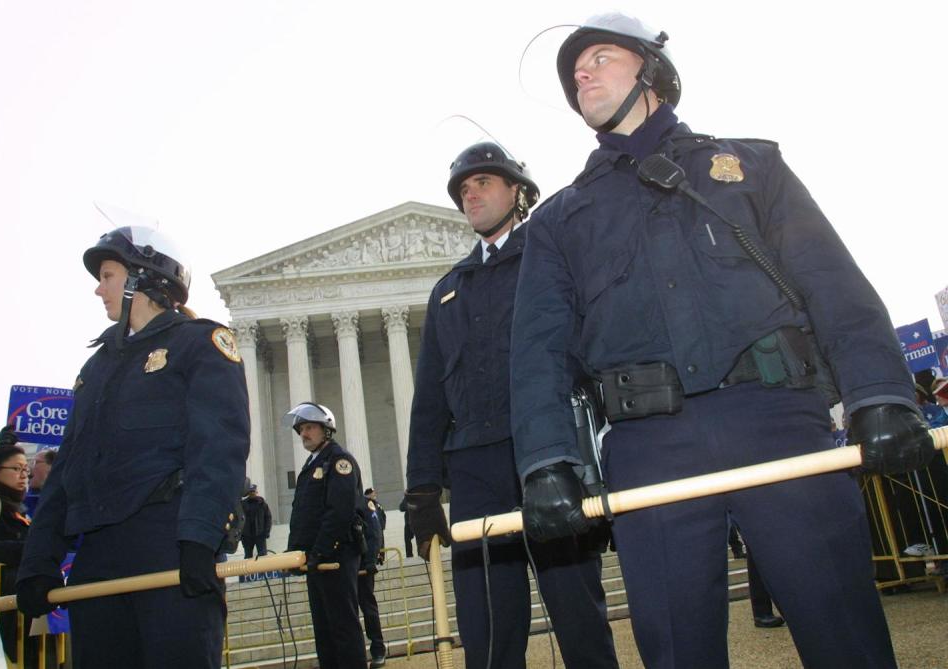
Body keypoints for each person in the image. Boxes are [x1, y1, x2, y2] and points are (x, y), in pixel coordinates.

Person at [510, 13, 935, 668]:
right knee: (678, 653)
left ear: (651, 68)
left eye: (598, 57)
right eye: (574, 72)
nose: (581, 74)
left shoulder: (751, 166)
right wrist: (546, 461)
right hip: (649, 449)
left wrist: (881, 392)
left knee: (845, 636)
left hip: (778, 424)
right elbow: (537, 353)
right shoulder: (559, 220)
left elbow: (831, 284)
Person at [404, 142, 619, 669]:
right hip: (474, 469)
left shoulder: (552, 256)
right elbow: (430, 395)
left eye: (481, 183)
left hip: (544, 454)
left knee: (576, 615)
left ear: (517, 191)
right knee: (488, 631)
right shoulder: (448, 291)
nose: (469, 195)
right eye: (462, 190)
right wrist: (423, 488)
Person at [14, 215, 251, 668]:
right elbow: (68, 469)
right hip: (98, 559)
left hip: (169, 546)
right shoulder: (95, 369)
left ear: (142, 278)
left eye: (107, 276)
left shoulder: (199, 344)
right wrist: (38, 561)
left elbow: (217, 448)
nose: (98, 289)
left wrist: (200, 539)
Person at [285, 402, 367, 669]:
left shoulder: (338, 461)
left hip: (336, 555)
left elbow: (340, 512)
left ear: (326, 430)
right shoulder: (313, 464)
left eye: (309, 428)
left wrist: (320, 550)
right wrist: (296, 551)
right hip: (316, 559)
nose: (304, 434)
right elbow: (304, 515)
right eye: (301, 430)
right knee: (325, 631)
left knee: (343, 628)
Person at [0, 443, 36, 665]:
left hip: (17, 608)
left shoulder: (18, 509)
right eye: (16, 469)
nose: (24, 475)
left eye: (26, 469)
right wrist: (30, 550)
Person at [359, 492, 387, 667]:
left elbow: (375, 532)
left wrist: (370, 560)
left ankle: (378, 650)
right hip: (342, 566)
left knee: (369, 610)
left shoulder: (365, 504)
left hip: (362, 566)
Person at [240, 484, 273, 559]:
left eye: (253, 491)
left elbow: (268, 518)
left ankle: (263, 571)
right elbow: (239, 520)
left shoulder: (262, 503)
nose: (252, 493)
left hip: (260, 534)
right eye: (250, 492)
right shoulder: (243, 504)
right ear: (248, 493)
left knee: (262, 556)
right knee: (248, 557)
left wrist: (266, 532)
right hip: (247, 536)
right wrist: (241, 535)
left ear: (256, 492)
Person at [23, 448, 56, 518]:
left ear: (52, 466)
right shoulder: (22, 496)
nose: (28, 467)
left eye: (35, 462)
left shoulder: (62, 500)